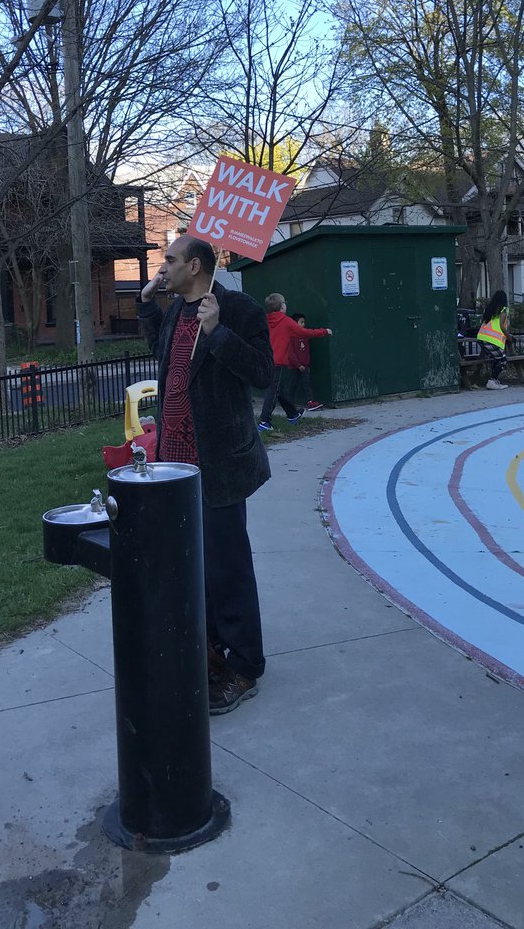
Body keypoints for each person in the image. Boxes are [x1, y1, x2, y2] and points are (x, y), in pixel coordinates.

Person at [138, 235, 274, 714]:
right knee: (193, 566)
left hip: (218, 463)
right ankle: (213, 651)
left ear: (194, 266)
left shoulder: (237, 308)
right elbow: (165, 357)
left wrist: (218, 332)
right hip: (174, 464)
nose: (163, 265)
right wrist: (149, 307)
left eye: (170, 260)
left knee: (226, 567)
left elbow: (262, 373)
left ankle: (244, 666)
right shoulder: (175, 309)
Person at [258, 294, 332, 432]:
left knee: (280, 390)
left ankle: (292, 415)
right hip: (277, 361)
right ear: (281, 307)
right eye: (285, 303)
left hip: (266, 359)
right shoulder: (285, 321)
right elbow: (303, 332)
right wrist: (324, 331)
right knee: (273, 391)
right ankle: (264, 421)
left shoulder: (265, 320)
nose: (286, 305)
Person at [282, 312, 324, 412]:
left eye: (304, 322)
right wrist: (298, 364)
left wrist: (304, 363)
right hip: (294, 366)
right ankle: (289, 404)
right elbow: (290, 353)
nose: (303, 324)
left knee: (306, 383)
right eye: (301, 322)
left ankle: (310, 402)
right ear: (294, 323)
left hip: (304, 366)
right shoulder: (291, 336)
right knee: (293, 384)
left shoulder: (305, 335)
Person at [476, 290, 512, 390]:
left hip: (482, 337)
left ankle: (494, 380)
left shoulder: (489, 309)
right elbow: (501, 326)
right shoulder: (503, 310)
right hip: (492, 339)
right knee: (502, 359)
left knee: (497, 358)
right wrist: (509, 337)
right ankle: (492, 380)